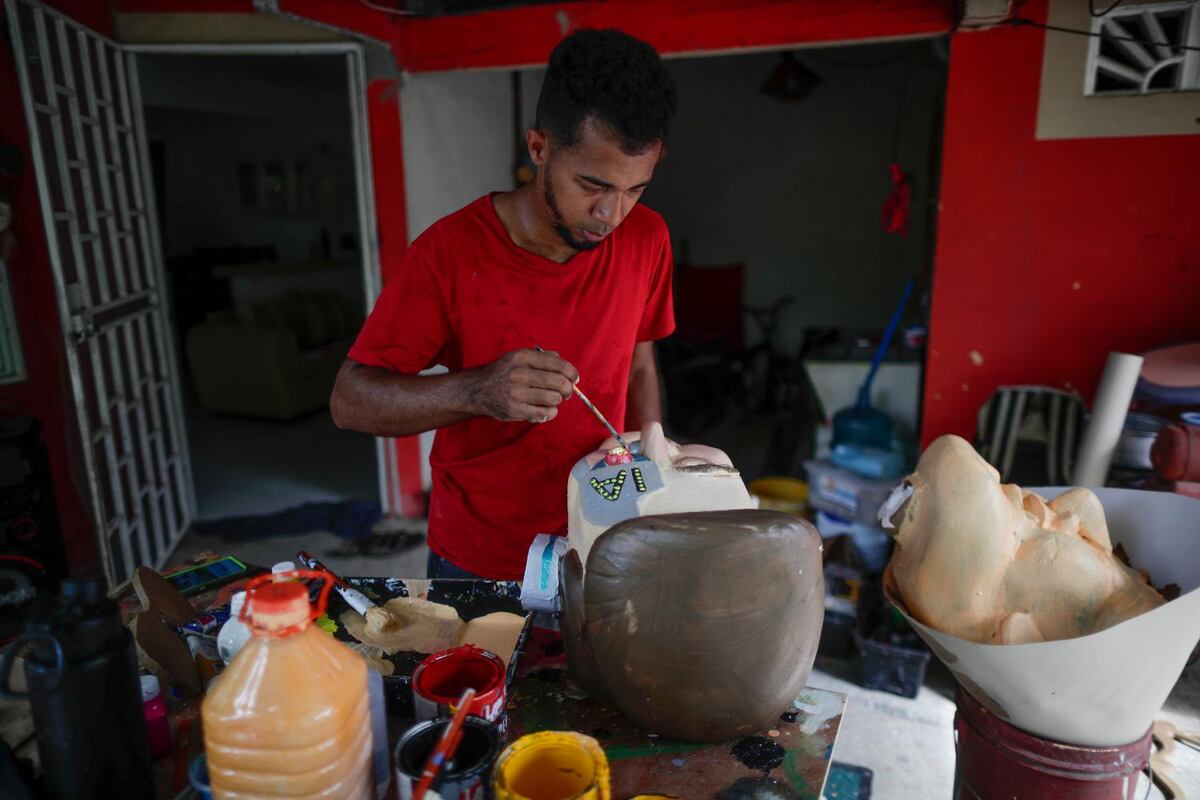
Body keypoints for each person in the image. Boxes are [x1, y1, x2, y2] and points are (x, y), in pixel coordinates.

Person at [331, 28, 678, 579]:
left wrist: (652, 481)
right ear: (539, 148)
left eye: (635, 189)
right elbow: (350, 401)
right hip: (480, 556)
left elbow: (639, 363)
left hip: (603, 539)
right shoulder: (448, 253)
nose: (612, 215)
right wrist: (477, 390)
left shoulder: (648, 238)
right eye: (592, 185)